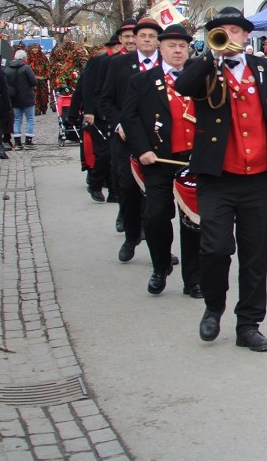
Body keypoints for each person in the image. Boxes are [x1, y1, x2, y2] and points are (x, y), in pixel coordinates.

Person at [176, 8, 267, 351]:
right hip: (217, 178)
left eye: (235, 30)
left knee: (255, 254)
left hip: (257, 181)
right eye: (222, 31)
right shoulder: (204, 69)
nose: (230, 36)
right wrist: (213, 58)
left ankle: (248, 324)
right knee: (216, 247)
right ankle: (213, 306)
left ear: (245, 35)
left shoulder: (262, 68)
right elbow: (183, 85)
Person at [120, 23, 203, 297]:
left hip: (193, 162)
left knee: (192, 221)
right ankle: (161, 265)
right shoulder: (143, 80)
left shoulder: (200, 78)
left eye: (182, 46)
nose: (178, 50)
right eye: (172, 45)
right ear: (161, 48)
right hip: (159, 160)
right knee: (155, 216)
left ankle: (193, 280)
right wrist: (142, 148)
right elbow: (130, 117)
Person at [101, 17, 163, 263]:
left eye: (152, 36)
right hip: (126, 141)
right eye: (143, 36)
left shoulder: (167, 64)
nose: (147, 40)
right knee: (128, 190)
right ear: (134, 39)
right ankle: (131, 236)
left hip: (158, 141)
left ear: (158, 41)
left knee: (158, 197)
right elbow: (106, 100)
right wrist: (120, 124)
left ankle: (160, 246)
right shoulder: (119, 64)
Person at [81, 33, 125, 202]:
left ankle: (114, 192)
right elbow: (87, 87)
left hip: (117, 114)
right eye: (117, 47)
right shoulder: (98, 61)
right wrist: (89, 111)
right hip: (99, 114)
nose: (120, 50)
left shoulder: (126, 62)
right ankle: (94, 183)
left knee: (116, 156)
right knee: (105, 153)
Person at [5, 49, 38, 148]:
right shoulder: (26, 68)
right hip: (27, 97)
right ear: (24, 58)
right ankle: (28, 140)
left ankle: (17, 141)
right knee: (30, 119)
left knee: (17, 119)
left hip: (14, 98)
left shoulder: (7, 69)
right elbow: (34, 82)